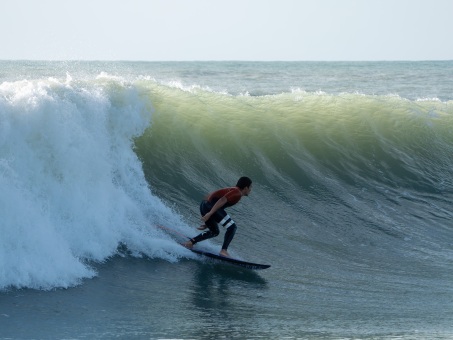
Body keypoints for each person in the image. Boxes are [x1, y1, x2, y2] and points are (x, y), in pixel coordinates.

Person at [183, 176, 253, 257]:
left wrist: (210, 219)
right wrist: (209, 214)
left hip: (205, 205)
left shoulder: (234, 190)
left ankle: (190, 242)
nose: (251, 190)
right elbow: (222, 200)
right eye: (250, 187)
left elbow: (220, 205)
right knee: (232, 227)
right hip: (210, 206)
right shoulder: (237, 192)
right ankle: (223, 251)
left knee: (214, 232)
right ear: (245, 187)